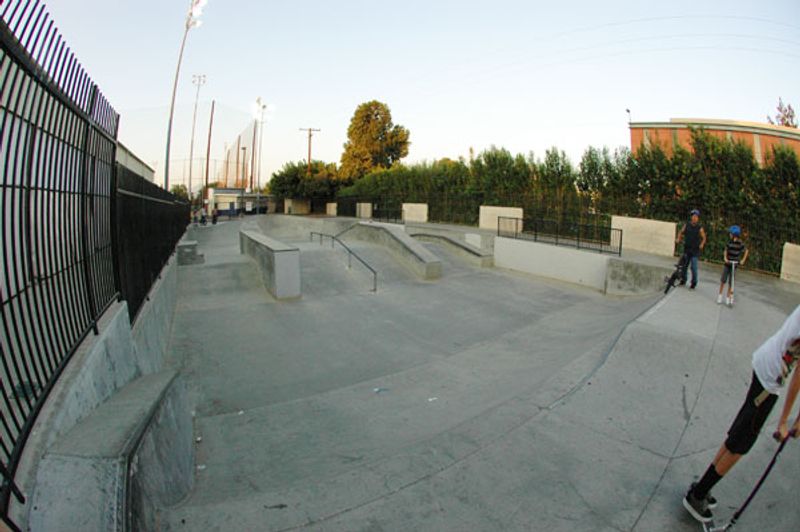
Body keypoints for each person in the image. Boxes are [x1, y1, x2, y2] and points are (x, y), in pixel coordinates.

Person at [683, 305, 800, 523]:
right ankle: (696, 496)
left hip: (765, 364)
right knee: (741, 445)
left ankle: (702, 486)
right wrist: (783, 421)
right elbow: (799, 375)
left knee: (738, 435)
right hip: (769, 381)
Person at [675, 209, 707, 289]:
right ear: (691, 217)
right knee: (684, 266)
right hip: (687, 249)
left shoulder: (700, 228)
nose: (695, 218)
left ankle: (694, 282)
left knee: (693, 267)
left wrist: (702, 244)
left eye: (696, 217)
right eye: (693, 216)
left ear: (698, 218)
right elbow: (680, 232)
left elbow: (704, 237)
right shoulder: (687, 225)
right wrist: (678, 238)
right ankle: (683, 280)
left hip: (695, 251)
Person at [717, 225, 748, 306]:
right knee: (723, 279)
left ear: (734, 235)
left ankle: (728, 297)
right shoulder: (729, 242)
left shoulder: (740, 243)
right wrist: (725, 258)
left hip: (735, 264)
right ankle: (720, 295)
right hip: (728, 263)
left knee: (731, 281)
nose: (729, 235)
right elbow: (725, 250)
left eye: (730, 233)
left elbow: (746, 251)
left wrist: (743, 260)